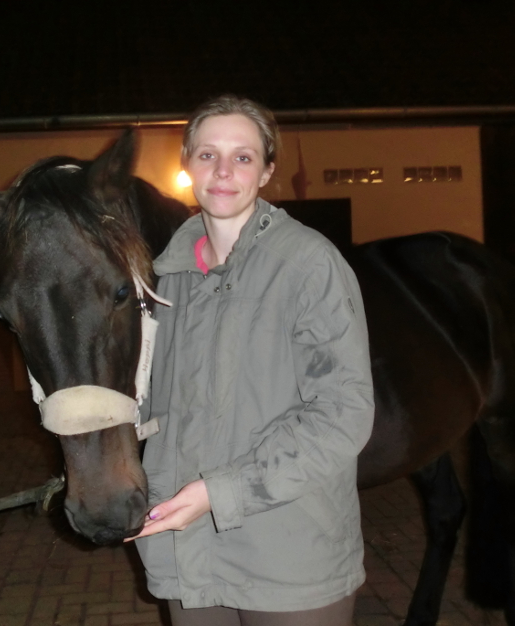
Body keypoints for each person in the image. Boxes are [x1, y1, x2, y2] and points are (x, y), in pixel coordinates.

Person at [130, 95, 375, 626]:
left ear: (266, 172)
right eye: (207, 155)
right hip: (186, 552)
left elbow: (344, 413)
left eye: (242, 157)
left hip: (290, 554)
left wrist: (220, 493)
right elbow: (149, 406)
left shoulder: (308, 264)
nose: (223, 171)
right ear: (187, 164)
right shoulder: (164, 278)